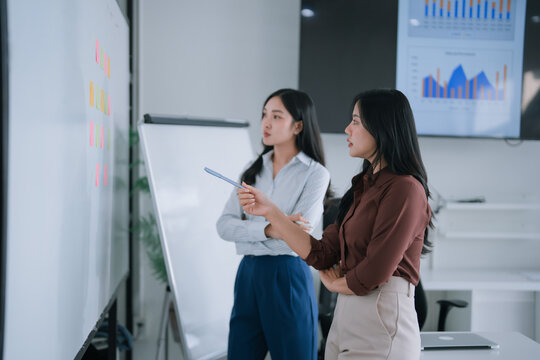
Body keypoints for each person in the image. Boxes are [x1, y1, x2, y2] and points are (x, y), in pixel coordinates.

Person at [238, 89, 433, 360]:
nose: (347, 130)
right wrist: (271, 212)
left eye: (355, 121)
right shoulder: (362, 187)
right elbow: (322, 253)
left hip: (380, 315)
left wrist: (333, 285)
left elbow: (374, 272)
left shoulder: (405, 188)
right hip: (347, 313)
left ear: (382, 128)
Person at [216, 88, 331, 360]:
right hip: (248, 274)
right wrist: (270, 228)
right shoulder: (252, 169)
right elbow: (223, 226)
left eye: (276, 116)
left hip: (287, 275)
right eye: (264, 115)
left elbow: (299, 236)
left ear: (298, 125)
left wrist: (252, 231)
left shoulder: (315, 174)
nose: (266, 123)